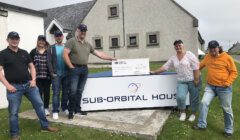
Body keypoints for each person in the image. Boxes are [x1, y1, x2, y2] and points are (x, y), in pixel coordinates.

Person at [0, 31, 59, 140]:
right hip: (14, 88)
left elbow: (31, 67)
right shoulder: (3, 54)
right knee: (13, 113)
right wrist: (7, 85)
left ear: (19, 40)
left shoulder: (24, 52)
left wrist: (33, 80)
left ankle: (45, 126)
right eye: (12, 38)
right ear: (7, 40)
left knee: (40, 105)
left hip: (29, 85)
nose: (14, 40)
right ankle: (14, 135)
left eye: (16, 38)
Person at [63, 24, 115, 119]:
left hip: (84, 69)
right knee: (73, 91)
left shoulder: (88, 44)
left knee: (79, 91)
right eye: (81, 30)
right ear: (78, 31)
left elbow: (98, 54)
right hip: (74, 68)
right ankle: (71, 111)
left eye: (84, 31)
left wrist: (111, 58)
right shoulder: (71, 41)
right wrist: (71, 67)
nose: (83, 32)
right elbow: (65, 55)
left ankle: (77, 109)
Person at [192, 41, 238, 138]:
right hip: (210, 87)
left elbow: (234, 72)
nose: (212, 51)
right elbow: (200, 66)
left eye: (214, 48)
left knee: (226, 108)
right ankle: (201, 125)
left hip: (224, 88)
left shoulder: (227, 58)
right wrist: (193, 69)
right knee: (204, 102)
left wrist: (228, 82)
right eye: (210, 49)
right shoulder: (208, 56)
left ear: (218, 48)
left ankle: (229, 130)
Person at [151, 40, 200, 122]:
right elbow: (165, 67)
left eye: (179, 45)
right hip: (181, 81)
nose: (178, 47)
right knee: (180, 97)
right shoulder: (173, 58)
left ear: (183, 45)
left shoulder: (189, 54)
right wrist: (155, 72)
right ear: (174, 48)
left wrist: (196, 79)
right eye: (176, 46)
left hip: (193, 80)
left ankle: (193, 114)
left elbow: (196, 67)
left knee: (194, 98)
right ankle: (182, 112)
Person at [47, 30, 69, 120]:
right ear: (55, 37)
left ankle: (64, 108)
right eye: (57, 36)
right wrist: (52, 73)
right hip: (56, 74)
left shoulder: (67, 47)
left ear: (62, 37)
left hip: (66, 74)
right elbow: (49, 61)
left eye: (60, 35)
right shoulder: (51, 48)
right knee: (56, 93)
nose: (59, 37)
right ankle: (55, 111)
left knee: (65, 93)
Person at [30, 35, 51, 116]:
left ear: (45, 42)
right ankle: (40, 108)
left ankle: (46, 108)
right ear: (37, 41)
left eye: (43, 40)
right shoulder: (33, 52)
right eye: (40, 40)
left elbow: (51, 63)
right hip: (37, 77)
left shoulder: (48, 52)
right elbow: (30, 65)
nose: (41, 42)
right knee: (38, 93)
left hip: (47, 77)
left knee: (47, 93)